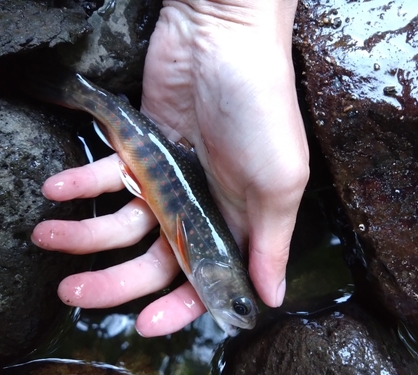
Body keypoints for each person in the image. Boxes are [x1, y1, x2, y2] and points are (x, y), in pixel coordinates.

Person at [31, 0, 309, 337]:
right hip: (148, 143)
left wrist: (223, 18)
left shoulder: (207, 259)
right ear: (223, 277)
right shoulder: (207, 258)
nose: (239, 315)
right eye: (239, 305)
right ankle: (57, 84)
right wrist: (221, 15)